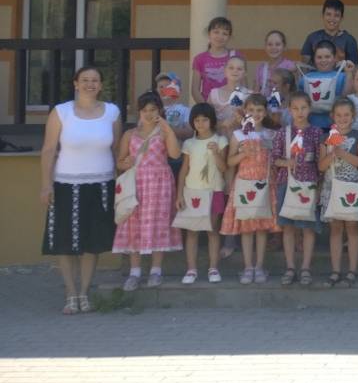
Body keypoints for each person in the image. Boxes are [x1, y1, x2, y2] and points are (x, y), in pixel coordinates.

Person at [39, 66, 122, 314]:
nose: (90, 84)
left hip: (102, 184)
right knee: (65, 242)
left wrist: (121, 183)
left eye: (95, 80)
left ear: (101, 85)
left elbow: (117, 149)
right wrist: (46, 184)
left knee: (92, 242)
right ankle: (70, 292)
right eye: (84, 80)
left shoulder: (112, 112)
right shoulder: (61, 112)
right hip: (66, 184)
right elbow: (48, 149)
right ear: (75, 84)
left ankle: (84, 293)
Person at [113, 92, 183, 291]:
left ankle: (156, 270)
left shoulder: (164, 132)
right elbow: (120, 161)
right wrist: (126, 163)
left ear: (159, 110)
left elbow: (175, 154)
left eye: (153, 110)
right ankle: (135, 272)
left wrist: (167, 128)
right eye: (145, 110)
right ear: (139, 112)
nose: (149, 114)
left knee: (158, 222)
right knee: (134, 223)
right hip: (136, 183)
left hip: (160, 183)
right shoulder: (130, 134)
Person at [219, 94, 279, 285]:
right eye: (251, 110)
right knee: (246, 228)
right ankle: (248, 267)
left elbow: (275, 159)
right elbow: (230, 161)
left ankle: (259, 266)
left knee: (261, 228)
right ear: (245, 111)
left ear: (265, 112)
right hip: (244, 183)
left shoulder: (270, 134)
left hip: (265, 183)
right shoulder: (238, 135)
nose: (255, 114)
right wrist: (243, 153)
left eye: (259, 110)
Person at [271, 93, 323, 287]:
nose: (300, 112)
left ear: (309, 109)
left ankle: (306, 267)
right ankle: (290, 266)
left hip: (309, 183)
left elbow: (320, 161)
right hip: (287, 182)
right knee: (289, 227)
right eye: (295, 108)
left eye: (303, 108)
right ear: (289, 110)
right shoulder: (283, 133)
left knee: (308, 227)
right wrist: (287, 162)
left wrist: (319, 186)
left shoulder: (316, 133)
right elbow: (274, 159)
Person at [176, 102, 228, 284]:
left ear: (212, 121)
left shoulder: (221, 140)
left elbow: (223, 168)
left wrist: (216, 153)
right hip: (192, 191)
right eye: (196, 120)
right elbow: (184, 169)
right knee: (192, 232)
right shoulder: (189, 143)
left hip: (214, 190)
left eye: (204, 120)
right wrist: (179, 194)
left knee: (212, 230)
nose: (200, 123)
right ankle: (191, 269)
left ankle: (213, 268)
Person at [319, 99, 358, 288]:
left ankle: (352, 271)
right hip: (331, 187)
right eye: (338, 115)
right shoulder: (326, 137)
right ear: (332, 116)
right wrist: (332, 153)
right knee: (336, 229)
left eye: (347, 115)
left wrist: (343, 153)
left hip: (351, 187)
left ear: (353, 116)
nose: (343, 118)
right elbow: (321, 166)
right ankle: (335, 271)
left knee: (353, 228)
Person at [299, 41, 348, 131]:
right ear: (314, 59)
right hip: (310, 125)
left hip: (336, 126)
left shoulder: (342, 77)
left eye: (327, 57)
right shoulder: (306, 78)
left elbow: (347, 96)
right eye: (319, 57)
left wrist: (350, 74)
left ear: (334, 58)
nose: (323, 60)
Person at [191, 16, 240, 104]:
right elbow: (195, 90)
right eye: (216, 32)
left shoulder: (235, 56)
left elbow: (243, 84)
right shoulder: (199, 59)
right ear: (209, 33)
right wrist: (206, 108)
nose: (220, 36)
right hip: (208, 105)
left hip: (232, 106)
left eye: (225, 34)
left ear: (229, 37)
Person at [300, 0, 358, 66]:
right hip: (316, 73)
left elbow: (354, 68)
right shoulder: (312, 38)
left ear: (341, 18)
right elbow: (305, 67)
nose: (332, 19)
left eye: (336, 15)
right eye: (328, 14)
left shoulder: (349, 40)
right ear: (323, 16)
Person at [208, 55, 251, 136]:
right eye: (231, 68)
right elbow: (206, 119)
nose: (235, 71)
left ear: (245, 73)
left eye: (239, 69)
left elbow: (254, 122)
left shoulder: (249, 95)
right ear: (225, 71)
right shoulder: (214, 94)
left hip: (241, 140)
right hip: (218, 140)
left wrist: (242, 120)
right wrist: (221, 123)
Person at [255, 30, 297, 97]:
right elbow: (256, 91)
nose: (273, 47)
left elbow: (293, 92)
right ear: (265, 47)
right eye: (270, 44)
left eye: (277, 44)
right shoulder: (261, 67)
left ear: (284, 46)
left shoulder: (290, 66)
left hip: (284, 103)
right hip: (264, 103)